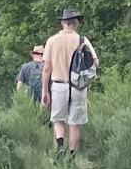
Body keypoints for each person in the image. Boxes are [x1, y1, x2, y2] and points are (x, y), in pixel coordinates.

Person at [40, 9, 98, 156]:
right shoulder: (82, 40)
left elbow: (47, 68)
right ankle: (72, 157)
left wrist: (44, 91)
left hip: (59, 85)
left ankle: (60, 146)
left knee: (58, 120)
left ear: (62, 23)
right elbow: (95, 62)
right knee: (74, 123)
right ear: (76, 24)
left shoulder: (52, 41)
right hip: (78, 86)